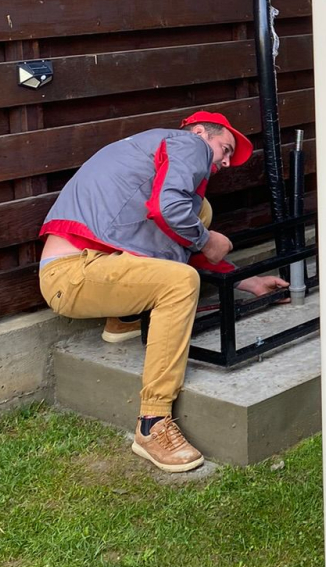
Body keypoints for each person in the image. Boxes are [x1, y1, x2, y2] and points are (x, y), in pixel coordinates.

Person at [38, 111, 288, 473]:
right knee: (181, 279)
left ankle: (122, 319)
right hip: (75, 272)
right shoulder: (187, 144)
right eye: (225, 149)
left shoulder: (151, 153)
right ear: (201, 131)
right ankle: (152, 423)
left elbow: (172, 239)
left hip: (82, 271)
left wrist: (246, 281)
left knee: (197, 211)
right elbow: (168, 211)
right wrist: (207, 240)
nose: (226, 162)